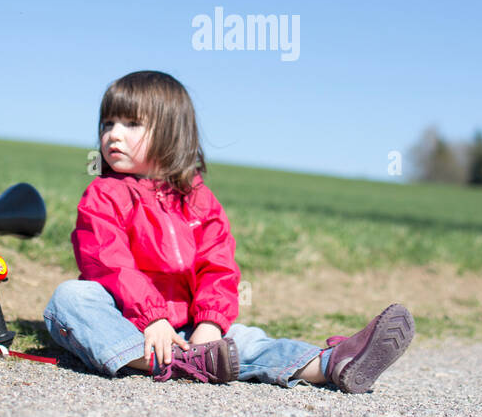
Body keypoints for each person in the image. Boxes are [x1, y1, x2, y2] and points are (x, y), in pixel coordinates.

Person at [42, 70, 414, 391]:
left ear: (171, 132)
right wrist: (152, 317)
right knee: (70, 299)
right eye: (108, 124)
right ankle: (167, 363)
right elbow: (108, 262)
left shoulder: (199, 201)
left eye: (130, 124)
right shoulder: (103, 194)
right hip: (130, 325)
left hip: (190, 329)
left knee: (247, 340)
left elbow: (217, 268)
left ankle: (333, 364)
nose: (113, 135)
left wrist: (209, 324)